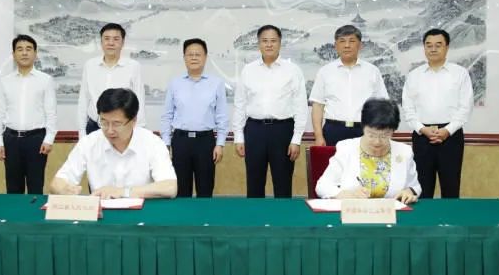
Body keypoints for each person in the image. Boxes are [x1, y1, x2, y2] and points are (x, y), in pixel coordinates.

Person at [50, 88, 177, 199]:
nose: (109, 130)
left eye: (116, 124)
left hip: (141, 213)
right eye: (104, 122)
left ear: (133, 120)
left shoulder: (152, 143)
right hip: (102, 214)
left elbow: (170, 187)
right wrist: (65, 189)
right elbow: (57, 183)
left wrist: (123, 192)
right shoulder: (89, 143)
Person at [233, 25, 307, 198]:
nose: (269, 44)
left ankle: (283, 216)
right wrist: (238, 137)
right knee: (254, 183)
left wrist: (296, 139)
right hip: (254, 130)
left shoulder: (292, 70)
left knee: (283, 183)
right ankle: (255, 215)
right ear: (258, 43)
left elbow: (300, 106)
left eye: (273, 41)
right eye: (264, 41)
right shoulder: (248, 70)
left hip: (282, 131)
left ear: (280, 43)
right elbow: (240, 104)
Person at [401, 28, 473, 198]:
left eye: (438, 45)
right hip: (422, 136)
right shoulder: (414, 75)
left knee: (451, 186)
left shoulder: (460, 74)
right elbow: (408, 108)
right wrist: (421, 129)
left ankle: (451, 217)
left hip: (451, 137)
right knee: (421, 188)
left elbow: (465, 107)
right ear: (424, 48)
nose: (433, 49)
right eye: (429, 45)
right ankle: (423, 217)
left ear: (447, 47)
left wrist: (447, 130)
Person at [315, 98, 420, 203]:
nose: (377, 142)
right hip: (354, 210)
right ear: (363, 127)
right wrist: (343, 194)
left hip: (391, 211)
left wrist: (409, 191)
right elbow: (322, 186)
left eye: (384, 136)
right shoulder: (346, 148)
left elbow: (415, 186)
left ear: (393, 130)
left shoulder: (404, 152)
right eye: (371, 135)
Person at [160, 38, 228, 197]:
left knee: (205, 189)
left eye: (198, 54)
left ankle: (205, 214)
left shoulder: (216, 83)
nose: (194, 58)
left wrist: (220, 144)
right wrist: (166, 143)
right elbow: (167, 115)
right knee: (181, 190)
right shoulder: (175, 83)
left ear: (205, 57)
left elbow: (222, 116)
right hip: (181, 141)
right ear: (184, 57)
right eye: (190, 54)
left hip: (205, 142)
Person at [0, 34, 57, 194]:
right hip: (11, 140)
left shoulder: (45, 80)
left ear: (35, 54)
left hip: (36, 140)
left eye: (29, 49)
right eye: (19, 49)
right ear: (14, 54)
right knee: (13, 189)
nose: (24, 53)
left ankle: (34, 212)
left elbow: (51, 113)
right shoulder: (5, 81)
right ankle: (14, 212)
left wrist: (49, 139)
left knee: (36, 187)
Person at [310, 24, 389, 146]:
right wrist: (319, 136)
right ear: (336, 45)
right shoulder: (325, 72)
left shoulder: (372, 71)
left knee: (365, 160)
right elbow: (317, 106)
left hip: (365, 131)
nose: (347, 45)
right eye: (342, 41)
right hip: (333, 130)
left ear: (360, 45)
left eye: (352, 41)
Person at [77, 23, 144, 138]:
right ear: (101, 42)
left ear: (123, 42)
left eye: (116, 39)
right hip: (94, 127)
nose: (111, 43)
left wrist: (138, 132)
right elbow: (83, 99)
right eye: (107, 38)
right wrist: (81, 132)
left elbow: (139, 101)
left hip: (122, 128)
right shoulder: (90, 65)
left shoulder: (133, 66)